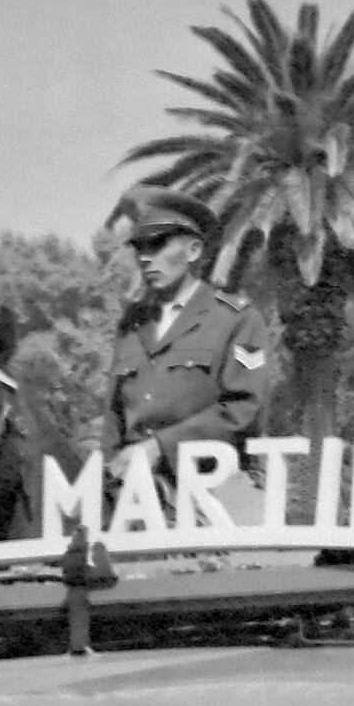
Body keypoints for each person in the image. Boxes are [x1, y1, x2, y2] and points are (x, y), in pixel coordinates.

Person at [101, 188, 272, 499]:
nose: (145, 257)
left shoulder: (236, 319)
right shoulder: (132, 324)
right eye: (139, 247)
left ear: (194, 251)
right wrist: (106, 465)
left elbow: (244, 408)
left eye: (158, 244)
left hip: (219, 487)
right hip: (137, 493)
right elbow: (114, 416)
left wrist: (160, 447)